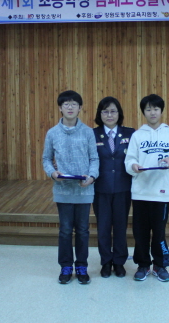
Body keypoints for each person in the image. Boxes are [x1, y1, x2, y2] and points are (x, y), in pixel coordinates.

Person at [124, 94, 169, 282]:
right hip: (140, 192)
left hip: (161, 193)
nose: (152, 112)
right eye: (148, 109)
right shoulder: (137, 135)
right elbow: (129, 160)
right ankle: (143, 265)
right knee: (140, 232)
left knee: (159, 232)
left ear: (161, 111)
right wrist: (133, 166)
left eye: (156, 109)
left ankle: (160, 265)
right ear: (143, 112)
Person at [42, 90, 99, 285]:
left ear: (80, 108)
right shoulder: (52, 133)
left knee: (83, 230)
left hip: (84, 189)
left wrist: (92, 177)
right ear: (60, 107)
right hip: (63, 190)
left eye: (74, 104)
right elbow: (46, 159)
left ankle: (82, 266)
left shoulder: (88, 132)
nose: (70, 107)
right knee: (65, 230)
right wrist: (52, 173)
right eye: (66, 104)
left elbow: (94, 158)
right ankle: (65, 267)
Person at [92, 96, 135, 278]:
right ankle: (105, 261)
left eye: (113, 111)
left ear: (119, 113)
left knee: (120, 226)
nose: (109, 115)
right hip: (100, 188)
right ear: (100, 114)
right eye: (105, 111)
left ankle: (119, 262)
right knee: (103, 227)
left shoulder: (130, 133)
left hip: (123, 187)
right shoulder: (92, 134)